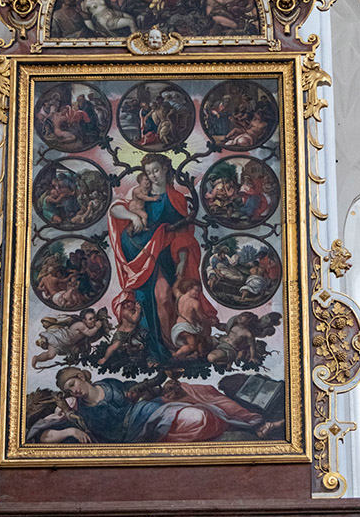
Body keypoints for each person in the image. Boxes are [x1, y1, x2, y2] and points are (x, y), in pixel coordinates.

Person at [109, 153, 217, 361]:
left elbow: (184, 233)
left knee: (167, 297)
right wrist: (132, 217)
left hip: (167, 255)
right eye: (148, 172)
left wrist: (183, 260)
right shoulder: (141, 193)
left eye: (156, 170)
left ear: (166, 169)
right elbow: (115, 209)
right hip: (140, 253)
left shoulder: (176, 198)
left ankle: (169, 343)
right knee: (158, 296)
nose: (153, 175)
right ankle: (158, 345)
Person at [35, 366, 265, 444]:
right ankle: (241, 426)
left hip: (148, 411)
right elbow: (42, 435)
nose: (73, 390)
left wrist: (152, 388)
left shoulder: (109, 383)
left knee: (194, 397)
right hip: (135, 434)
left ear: (81, 377)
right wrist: (71, 430)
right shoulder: (77, 409)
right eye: (69, 390)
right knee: (199, 419)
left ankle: (247, 422)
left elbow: (135, 390)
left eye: (73, 384)